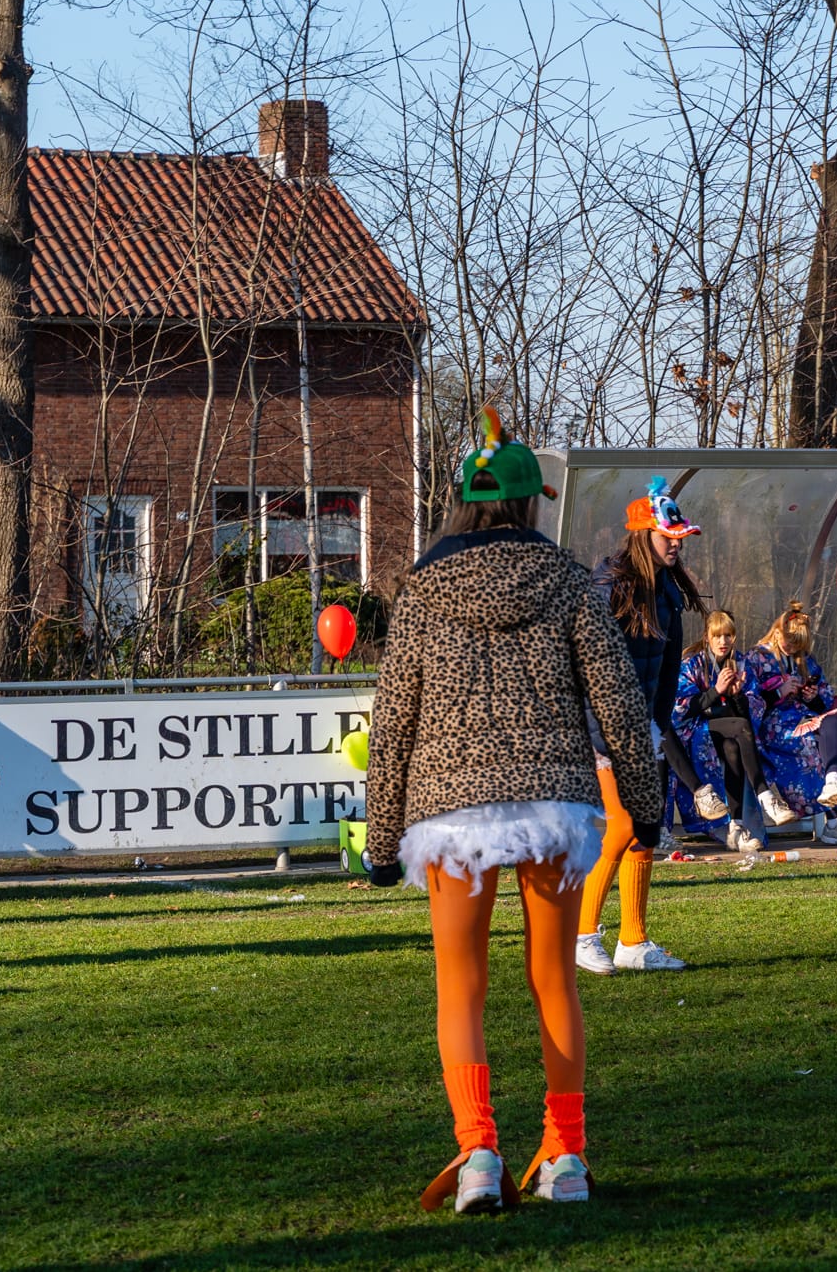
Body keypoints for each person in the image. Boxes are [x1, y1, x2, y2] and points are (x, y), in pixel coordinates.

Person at [363, 408, 660, 1211]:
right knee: (554, 977)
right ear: (532, 502)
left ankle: (478, 1155)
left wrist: (382, 841)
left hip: (451, 808)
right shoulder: (567, 580)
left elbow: (393, 722)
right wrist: (644, 802)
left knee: (460, 985)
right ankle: (566, 1155)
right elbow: (620, 701)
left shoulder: (422, 590)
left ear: (463, 500)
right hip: (555, 804)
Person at [577, 476, 707, 975]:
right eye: (667, 536)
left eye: (680, 537)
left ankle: (633, 942)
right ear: (641, 535)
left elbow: (667, 667)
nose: (676, 544)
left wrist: (657, 726)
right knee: (623, 824)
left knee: (644, 831)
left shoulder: (667, 590)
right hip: (602, 728)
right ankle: (581, 934)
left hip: (641, 727)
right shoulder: (609, 586)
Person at [746, 602, 837, 848]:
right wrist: (777, 693)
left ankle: (833, 780)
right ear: (777, 631)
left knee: (832, 720)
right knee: (811, 748)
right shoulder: (756, 658)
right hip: (774, 725)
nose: (792, 647)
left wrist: (812, 697)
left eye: (798, 643)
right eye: (789, 640)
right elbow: (747, 701)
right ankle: (835, 822)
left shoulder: (804, 660)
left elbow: (825, 699)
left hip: (803, 717)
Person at [673, 609, 794, 852]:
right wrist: (716, 691)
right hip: (694, 729)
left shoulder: (740, 662)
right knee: (740, 729)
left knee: (733, 748)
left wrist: (738, 696)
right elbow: (682, 708)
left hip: (727, 728)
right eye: (717, 636)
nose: (723, 641)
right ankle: (765, 796)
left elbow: (752, 708)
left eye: (728, 635)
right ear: (707, 637)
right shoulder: (692, 662)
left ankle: (736, 827)